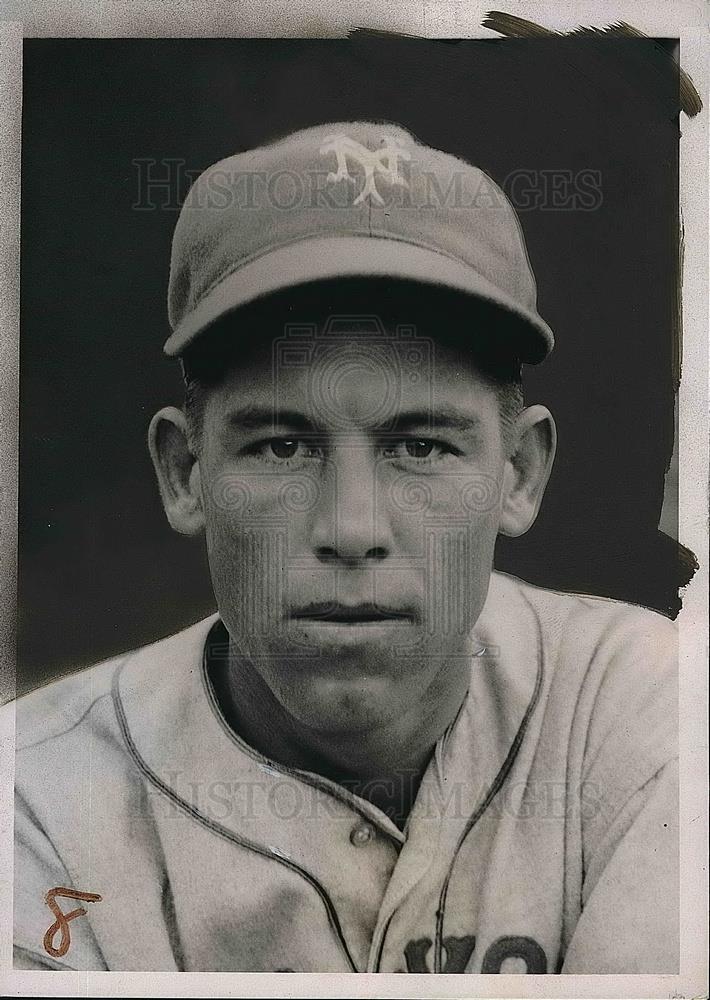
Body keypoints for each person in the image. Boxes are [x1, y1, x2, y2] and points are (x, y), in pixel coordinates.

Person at [12, 121, 678, 974]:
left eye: (422, 445)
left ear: (518, 472)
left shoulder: (651, 706)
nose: (352, 529)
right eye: (283, 446)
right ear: (185, 471)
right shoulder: (33, 803)